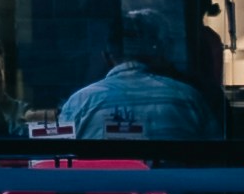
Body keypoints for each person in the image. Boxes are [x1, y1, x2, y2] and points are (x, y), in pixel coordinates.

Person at [58, 11, 207, 142]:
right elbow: (214, 159)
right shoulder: (188, 98)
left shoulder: (79, 102)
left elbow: (59, 160)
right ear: (154, 51)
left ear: (106, 56)